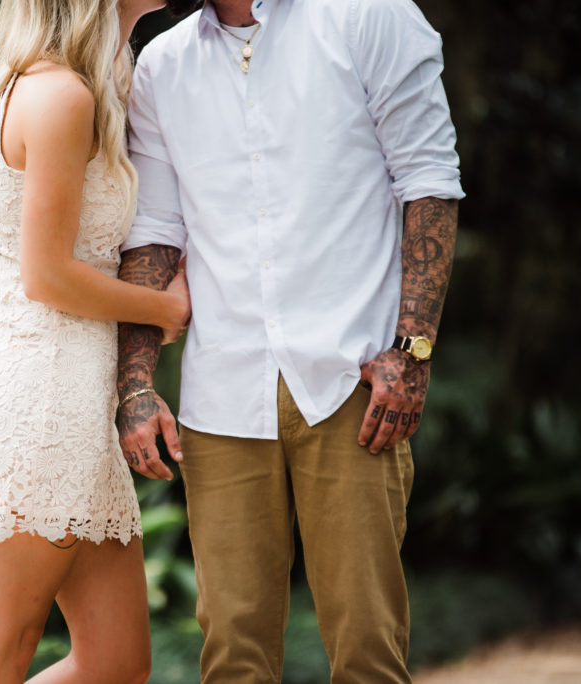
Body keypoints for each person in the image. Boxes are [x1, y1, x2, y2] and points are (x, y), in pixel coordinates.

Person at [115, 0, 464, 682]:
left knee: (368, 647)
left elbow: (429, 182)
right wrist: (135, 382)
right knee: (232, 655)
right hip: (222, 399)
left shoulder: (371, 16)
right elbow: (155, 228)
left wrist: (413, 349)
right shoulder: (161, 63)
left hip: (352, 385)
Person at [0, 0, 192, 681]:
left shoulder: (88, 87)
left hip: (77, 411)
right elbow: (48, 276)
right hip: (39, 412)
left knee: (117, 665)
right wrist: (163, 308)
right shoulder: (60, 95)